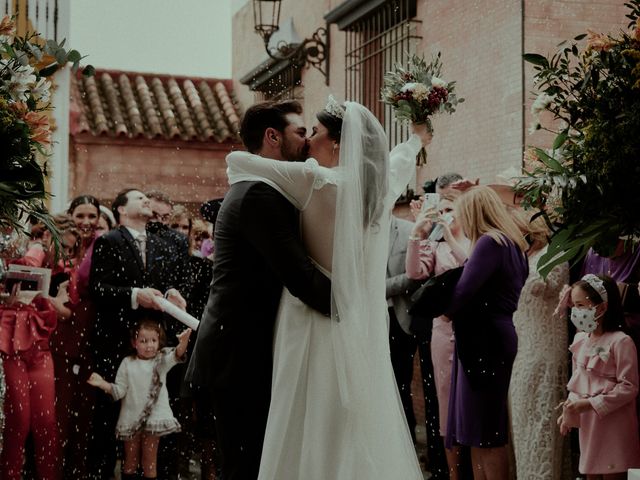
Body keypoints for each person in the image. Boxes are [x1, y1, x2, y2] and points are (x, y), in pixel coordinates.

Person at [224, 97, 432, 479]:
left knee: (303, 412)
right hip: (353, 320)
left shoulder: (316, 181)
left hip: (307, 318)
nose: (307, 142)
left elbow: (239, 163)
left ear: (338, 143)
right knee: (347, 415)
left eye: (314, 133)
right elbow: (399, 162)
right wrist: (418, 138)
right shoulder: (379, 188)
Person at [185, 100, 332, 480]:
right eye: (300, 132)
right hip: (236, 358)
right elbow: (301, 279)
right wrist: (358, 301)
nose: (306, 141)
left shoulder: (261, 189)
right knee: (244, 466)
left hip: (242, 352)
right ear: (272, 136)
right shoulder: (257, 196)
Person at [88, 188, 187, 479]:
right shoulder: (108, 241)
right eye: (137, 197)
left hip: (153, 344)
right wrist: (134, 295)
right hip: (117, 342)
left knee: (157, 414)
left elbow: (164, 283)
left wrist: (172, 293)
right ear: (120, 209)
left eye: (147, 198)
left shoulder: (160, 244)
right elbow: (98, 288)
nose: (145, 200)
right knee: (109, 419)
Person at [442, 186, 529, 480]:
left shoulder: (490, 243)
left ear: (473, 214)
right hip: (494, 335)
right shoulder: (513, 245)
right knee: (482, 431)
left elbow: (464, 290)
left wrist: (442, 305)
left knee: (487, 434)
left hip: (484, 341)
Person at [406, 193, 470, 479]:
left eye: (449, 209)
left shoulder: (472, 240)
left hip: (472, 329)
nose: (444, 213)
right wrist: (417, 234)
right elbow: (414, 271)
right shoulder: (435, 246)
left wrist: (450, 236)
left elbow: (469, 265)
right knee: (445, 401)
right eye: (440, 209)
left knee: (470, 399)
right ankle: (454, 473)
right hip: (443, 331)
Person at [557, 274, 640, 479]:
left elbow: (629, 386)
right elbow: (579, 383)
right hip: (590, 426)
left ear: (601, 308)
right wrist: (570, 409)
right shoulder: (580, 341)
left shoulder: (621, 342)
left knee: (613, 472)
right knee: (591, 472)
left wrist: (591, 404)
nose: (575, 312)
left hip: (615, 424)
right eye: (573, 307)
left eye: (580, 305)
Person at [88, 320, 192, 480]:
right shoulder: (127, 363)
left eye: (153, 340)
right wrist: (103, 384)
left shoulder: (160, 361)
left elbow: (176, 355)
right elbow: (119, 391)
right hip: (131, 420)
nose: (149, 345)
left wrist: (183, 343)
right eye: (143, 341)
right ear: (134, 343)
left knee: (149, 462)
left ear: (159, 342)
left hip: (153, 420)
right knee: (130, 461)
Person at [508, 212, 570, 479]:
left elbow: (544, 285)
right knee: (522, 421)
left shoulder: (553, 253)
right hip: (521, 350)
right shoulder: (522, 256)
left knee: (542, 421)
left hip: (545, 350)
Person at [386, 215, 421, 443]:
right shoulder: (358, 231)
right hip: (369, 320)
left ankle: (405, 441)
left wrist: (378, 288)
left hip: (399, 319)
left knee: (400, 382)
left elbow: (414, 277)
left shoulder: (410, 230)